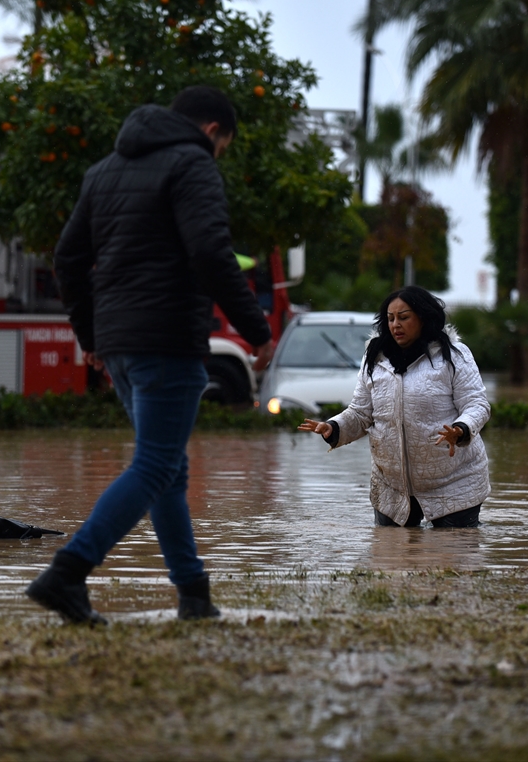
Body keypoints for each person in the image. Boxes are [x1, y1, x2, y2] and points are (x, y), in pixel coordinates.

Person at [25, 86, 274, 624]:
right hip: (167, 338)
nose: (218, 156)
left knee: (168, 469)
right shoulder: (193, 163)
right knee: (157, 464)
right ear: (212, 131)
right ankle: (67, 572)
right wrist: (257, 329)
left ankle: (194, 595)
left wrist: (90, 336)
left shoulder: (104, 171)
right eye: (223, 147)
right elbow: (210, 251)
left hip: (118, 344)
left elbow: (67, 257)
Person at [298, 286, 491, 528]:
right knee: (391, 548)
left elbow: (477, 404)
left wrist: (461, 429)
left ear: (423, 318)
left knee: (453, 548)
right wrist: (334, 427)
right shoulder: (375, 358)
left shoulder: (453, 355)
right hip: (391, 488)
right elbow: (361, 413)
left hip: (454, 483)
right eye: (390, 319)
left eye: (404, 317)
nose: (395, 325)